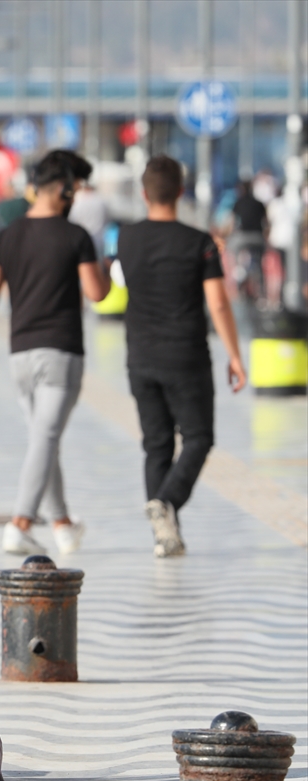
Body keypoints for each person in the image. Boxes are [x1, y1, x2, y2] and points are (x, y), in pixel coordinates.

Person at [0, 150, 111, 557]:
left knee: (42, 441)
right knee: (45, 439)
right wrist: (106, 268)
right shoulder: (75, 236)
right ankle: (21, 522)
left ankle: (63, 524)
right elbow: (97, 293)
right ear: (64, 190)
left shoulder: (7, 235)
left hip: (21, 354)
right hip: (61, 352)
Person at [117, 155, 246, 558]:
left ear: (144, 193)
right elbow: (219, 305)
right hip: (186, 356)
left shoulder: (126, 238)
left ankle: (165, 534)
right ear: (181, 191)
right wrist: (235, 355)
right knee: (199, 438)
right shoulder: (199, 242)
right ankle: (167, 503)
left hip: (139, 355)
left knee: (156, 445)